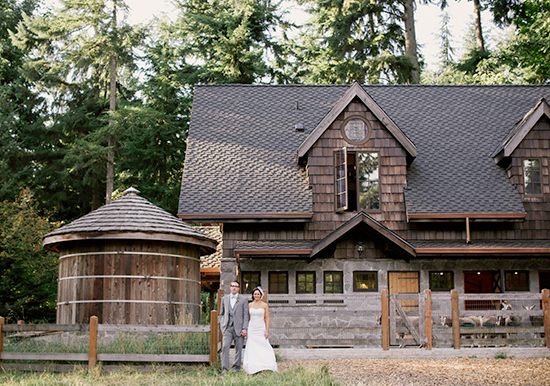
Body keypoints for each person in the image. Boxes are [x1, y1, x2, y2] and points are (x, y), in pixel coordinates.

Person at [243, 286, 278, 374]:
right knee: (252, 346)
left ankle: (266, 364)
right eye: (255, 294)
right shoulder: (250, 305)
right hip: (252, 328)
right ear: (253, 295)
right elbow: (248, 317)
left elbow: (267, 318)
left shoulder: (264, 305)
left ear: (260, 295)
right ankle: (253, 366)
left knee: (264, 345)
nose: (256, 295)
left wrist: (267, 330)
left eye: (258, 294)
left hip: (261, 327)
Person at [219, 280, 249, 374]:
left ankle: (236, 368)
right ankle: (225, 368)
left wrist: (244, 328)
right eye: (232, 286)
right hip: (227, 327)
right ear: (230, 287)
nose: (234, 287)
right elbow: (221, 313)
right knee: (225, 347)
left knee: (238, 349)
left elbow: (245, 315)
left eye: (236, 286)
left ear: (239, 288)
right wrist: (222, 326)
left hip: (239, 328)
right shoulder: (225, 298)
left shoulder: (243, 299)